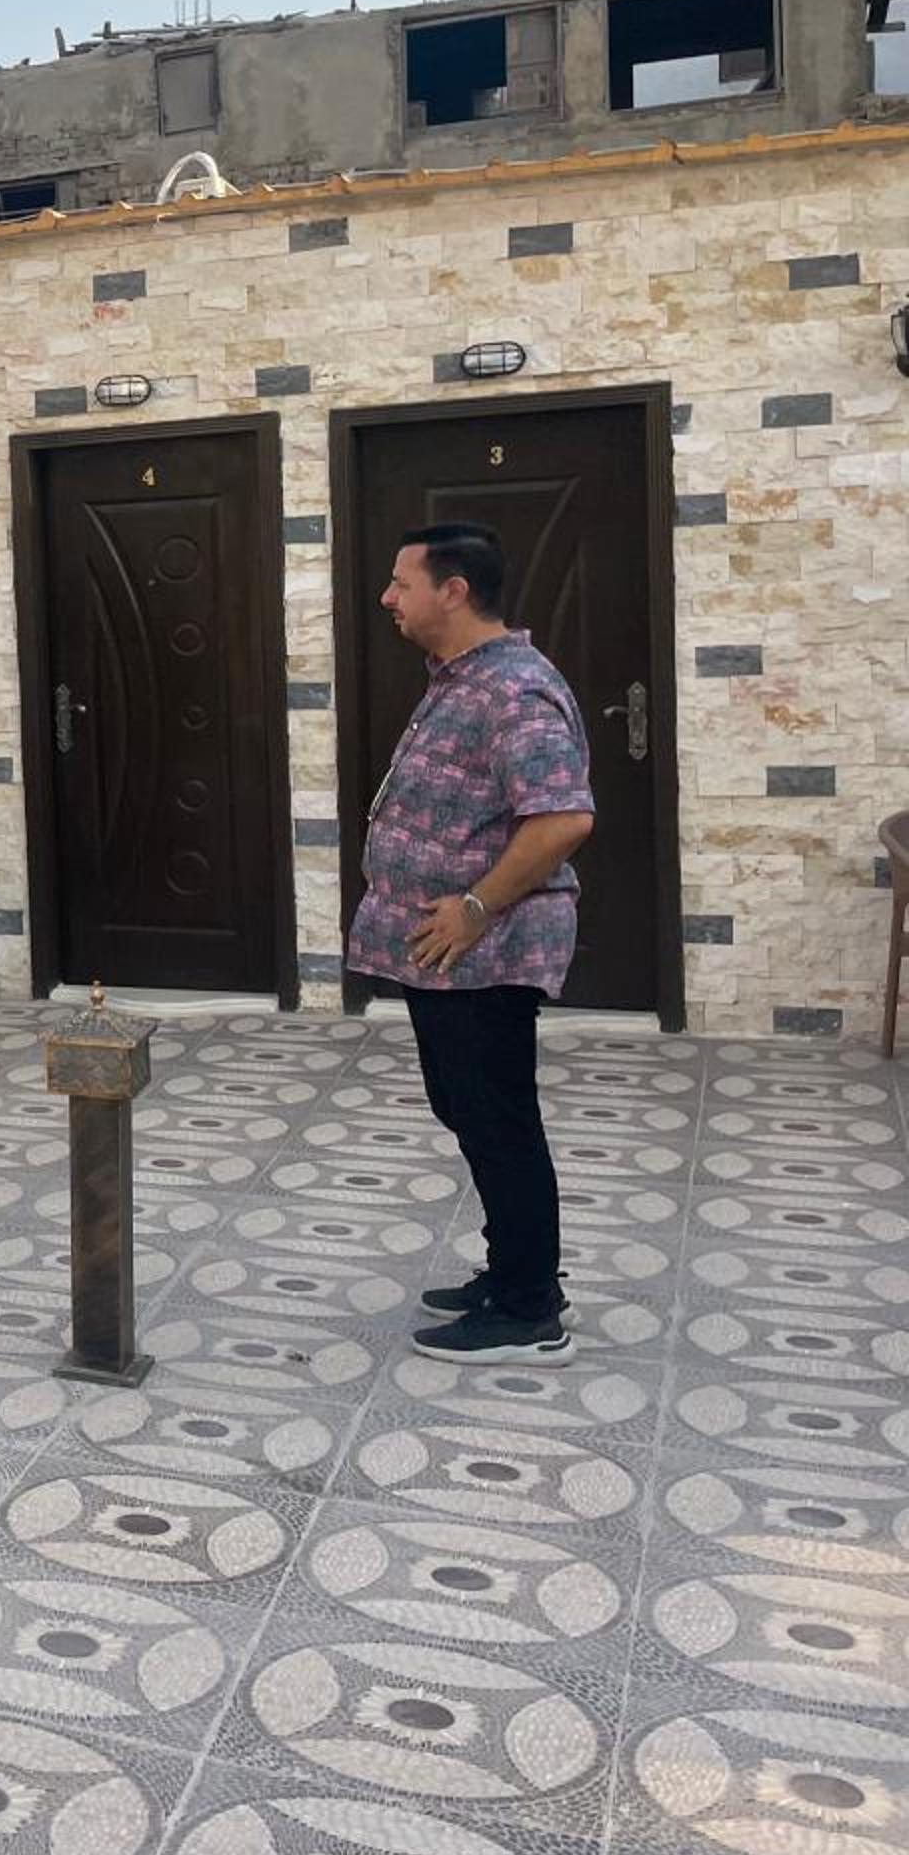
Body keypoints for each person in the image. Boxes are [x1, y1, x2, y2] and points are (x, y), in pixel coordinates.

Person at [347, 522, 595, 1366]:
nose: (387, 597)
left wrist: (477, 908)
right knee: (473, 1113)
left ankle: (529, 1310)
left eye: (401, 582)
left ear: (452, 591)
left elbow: (563, 819)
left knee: (499, 1121)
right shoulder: (462, 678)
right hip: (449, 961)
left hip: (485, 953)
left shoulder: (512, 689)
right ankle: (514, 1272)